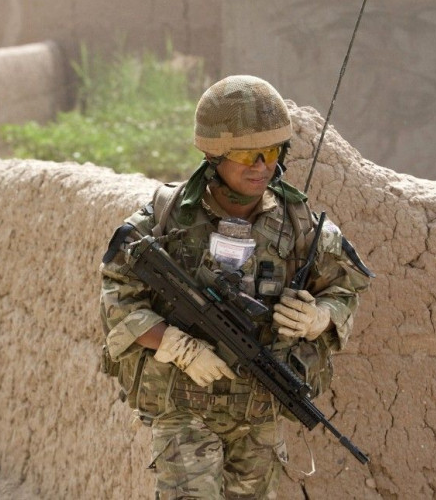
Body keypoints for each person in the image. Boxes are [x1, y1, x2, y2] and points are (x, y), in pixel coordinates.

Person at [99, 75, 373, 499]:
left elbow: (344, 290)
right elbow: (117, 297)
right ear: (214, 156)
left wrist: (321, 317)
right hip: (185, 408)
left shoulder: (301, 226)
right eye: (247, 155)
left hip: (260, 409)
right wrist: (175, 344)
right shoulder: (165, 219)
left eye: (271, 153)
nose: (261, 166)